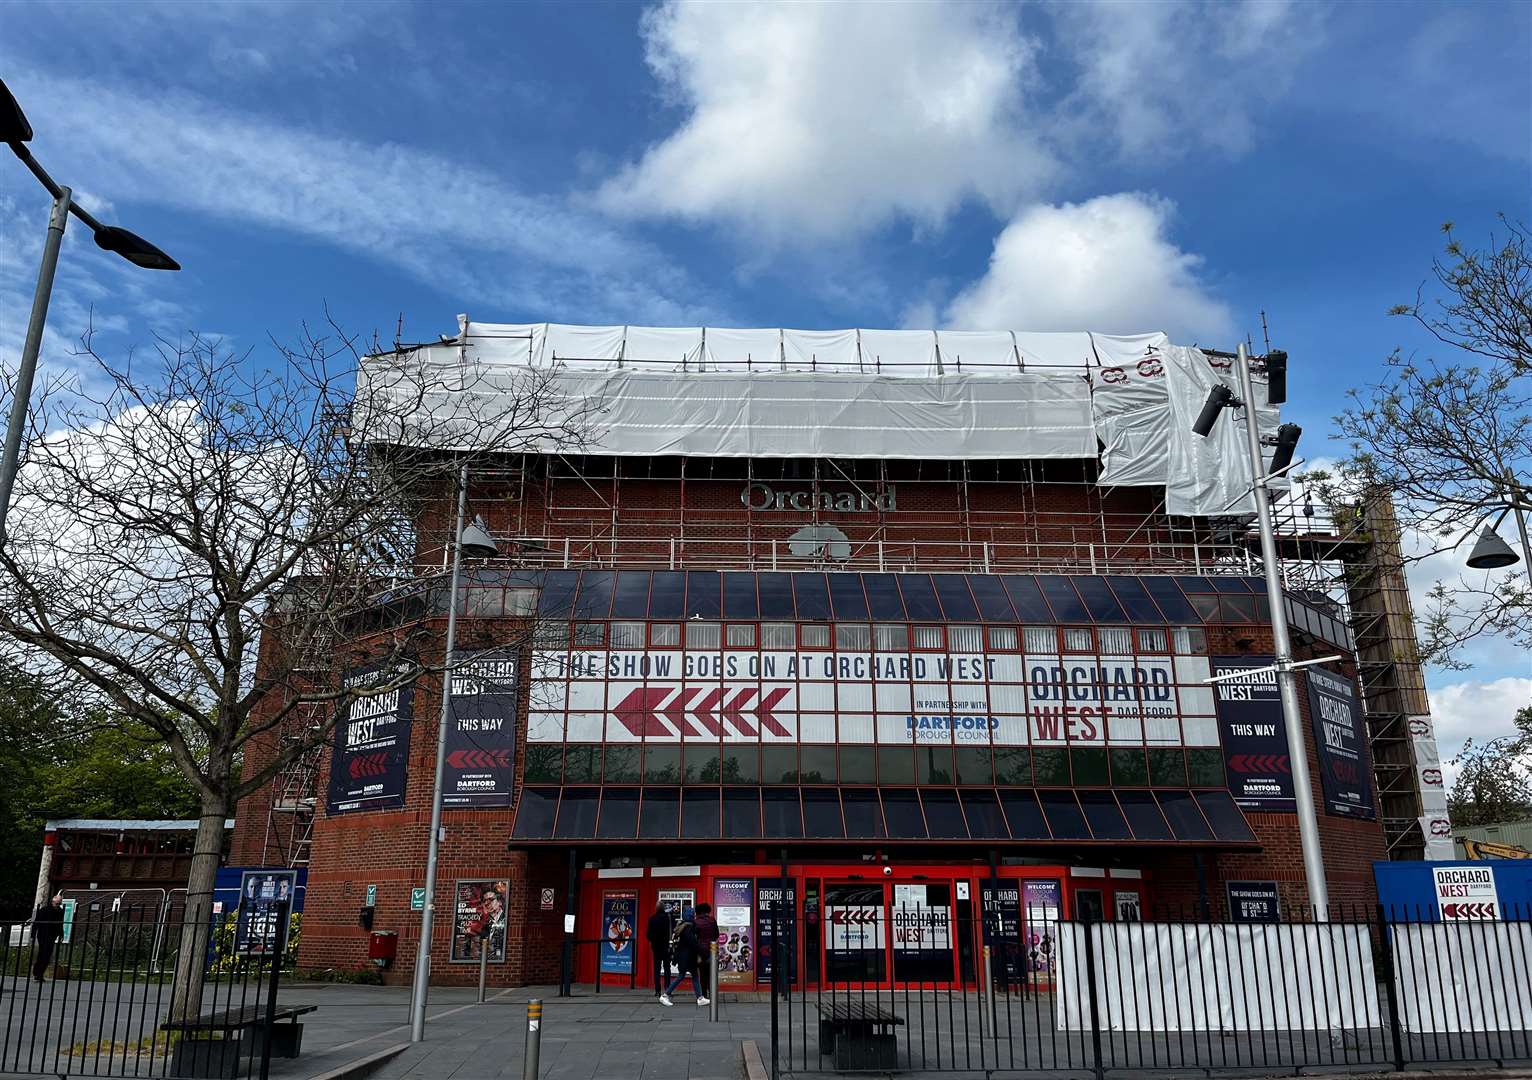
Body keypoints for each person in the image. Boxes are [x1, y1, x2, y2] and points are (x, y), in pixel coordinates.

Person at [658, 906, 709, 1008]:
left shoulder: (683, 925)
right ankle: (665, 995)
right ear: (690, 915)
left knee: (694, 975)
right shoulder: (688, 928)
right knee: (681, 976)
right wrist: (702, 951)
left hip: (684, 956)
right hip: (686, 957)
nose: (694, 915)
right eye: (693, 914)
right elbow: (692, 943)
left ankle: (700, 998)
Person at [31, 892, 65, 983]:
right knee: (42, 953)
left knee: (47, 955)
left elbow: (60, 923)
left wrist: (61, 933)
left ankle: (40, 973)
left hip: (52, 935)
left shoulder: (60, 911)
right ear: (52, 902)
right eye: (56, 903)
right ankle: (37, 973)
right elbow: (36, 922)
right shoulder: (44, 910)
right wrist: (33, 934)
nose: (57, 905)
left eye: (58, 904)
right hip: (43, 934)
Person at [644, 901, 673, 997]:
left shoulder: (652, 919)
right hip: (666, 946)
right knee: (667, 968)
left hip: (656, 947)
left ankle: (657, 990)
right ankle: (668, 989)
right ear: (664, 908)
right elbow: (671, 932)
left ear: (656, 908)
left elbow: (648, 934)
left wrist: (653, 940)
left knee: (657, 968)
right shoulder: (668, 918)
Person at [692, 902, 719, 998]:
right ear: (708, 910)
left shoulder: (696, 922)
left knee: (702, 973)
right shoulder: (712, 920)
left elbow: (693, 936)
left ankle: (704, 994)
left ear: (698, 912)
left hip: (700, 950)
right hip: (711, 950)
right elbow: (716, 935)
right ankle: (712, 992)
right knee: (711, 973)